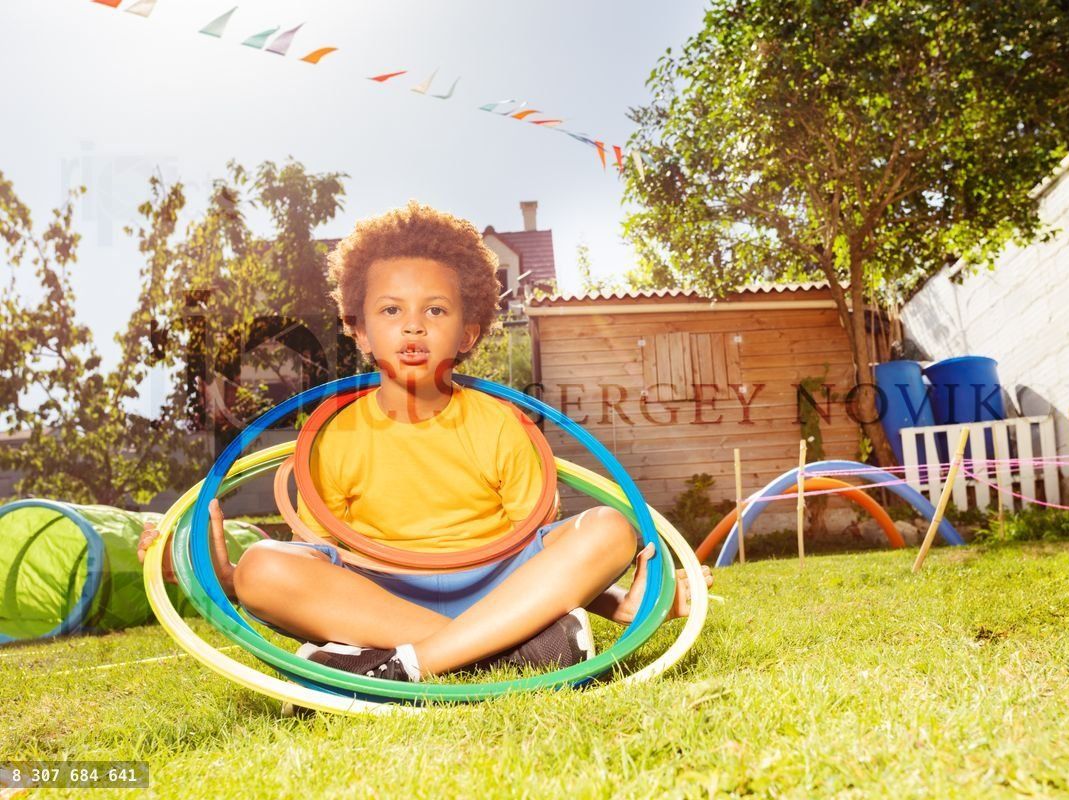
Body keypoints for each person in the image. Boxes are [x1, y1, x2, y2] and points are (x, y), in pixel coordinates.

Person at [139, 201, 710, 683]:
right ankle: (516, 648)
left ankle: (401, 665)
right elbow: (322, 560)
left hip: (498, 586)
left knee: (609, 528)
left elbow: (540, 559)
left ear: (469, 331)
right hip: (385, 603)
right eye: (391, 310)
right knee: (265, 565)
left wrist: (621, 602)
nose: (413, 326)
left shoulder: (506, 426)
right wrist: (223, 575)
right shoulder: (333, 439)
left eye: (435, 310)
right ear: (358, 329)